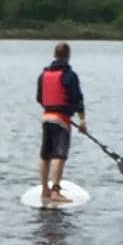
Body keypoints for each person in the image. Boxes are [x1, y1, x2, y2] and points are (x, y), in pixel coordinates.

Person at [36, 41, 87, 204]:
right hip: (61, 121)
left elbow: (39, 98)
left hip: (46, 118)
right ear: (68, 56)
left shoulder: (43, 75)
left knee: (45, 155)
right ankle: (56, 191)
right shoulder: (69, 75)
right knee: (60, 155)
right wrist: (82, 121)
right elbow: (77, 99)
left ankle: (45, 189)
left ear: (55, 55)